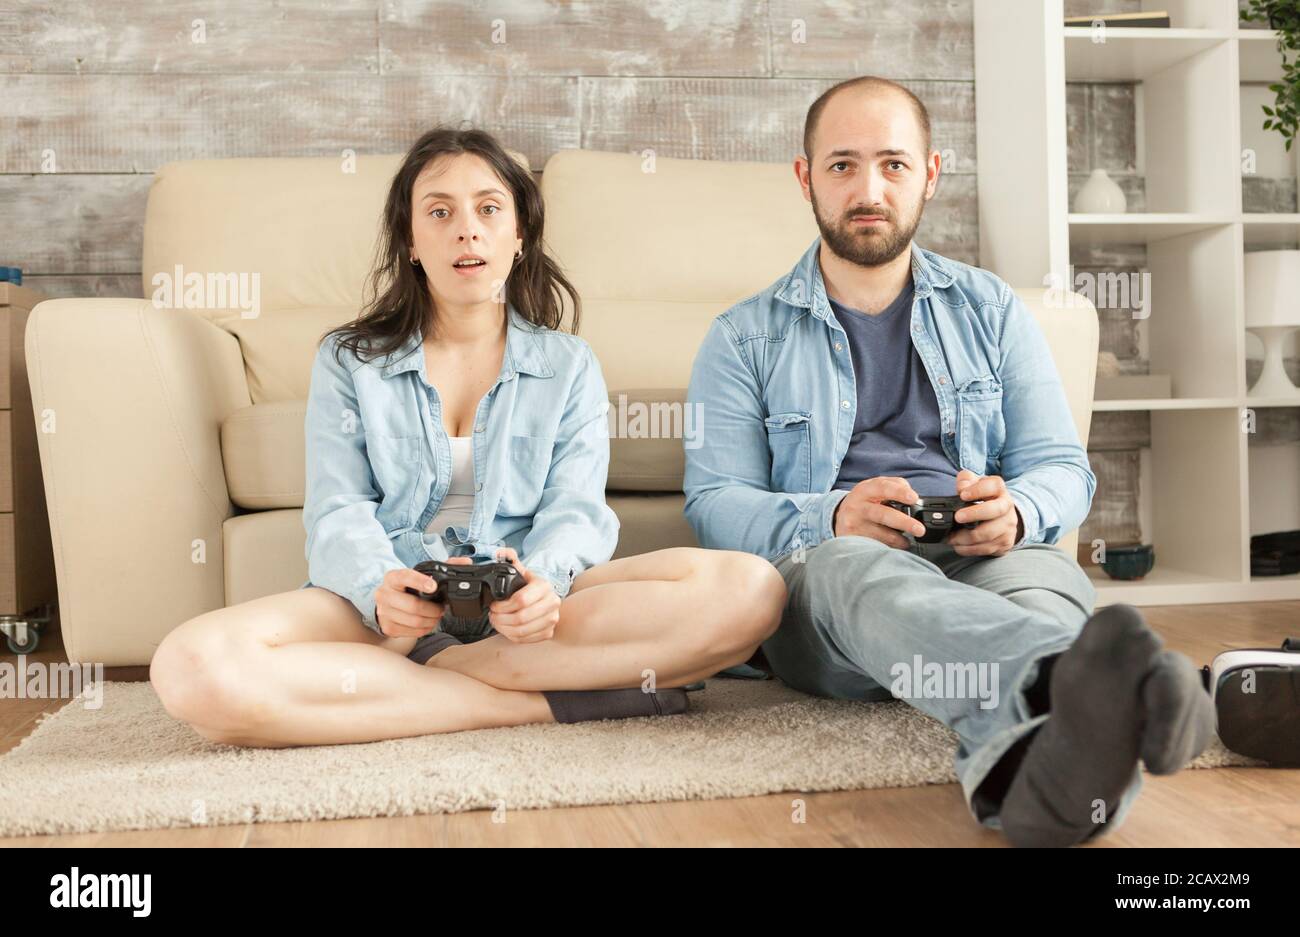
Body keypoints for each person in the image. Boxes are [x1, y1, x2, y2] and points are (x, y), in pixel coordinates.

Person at [682, 76, 1215, 847]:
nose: (869, 189)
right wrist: (832, 513)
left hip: (980, 566)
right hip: (833, 592)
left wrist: (1019, 511)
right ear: (806, 179)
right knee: (850, 567)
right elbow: (714, 501)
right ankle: (1102, 684)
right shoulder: (741, 336)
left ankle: (1042, 781)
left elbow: (1061, 466)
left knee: (1050, 580)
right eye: (842, 166)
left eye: (894, 164)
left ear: (930, 174)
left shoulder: (993, 309)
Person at [150, 127, 787, 748]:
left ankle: (440, 678)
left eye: (488, 208)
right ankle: (538, 706)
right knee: (192, 668)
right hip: (397, 606)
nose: (467, 228)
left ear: (519, 236)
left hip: (529, 614)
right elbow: (337, 507)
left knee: (752, 591)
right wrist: (380, 589)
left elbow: (575, 509)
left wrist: (542, 582)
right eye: (439, 211)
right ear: (410, 240)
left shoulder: (568, 364)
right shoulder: (349, 360)